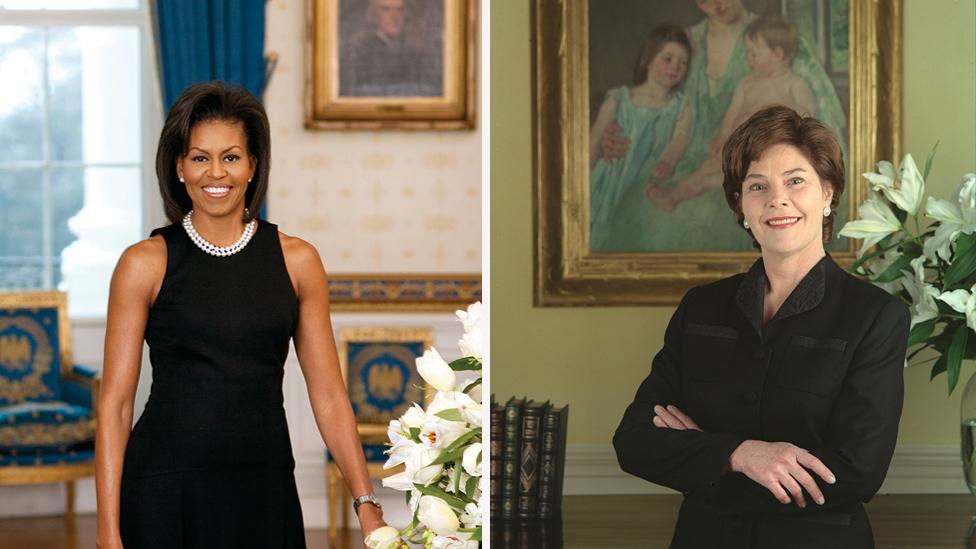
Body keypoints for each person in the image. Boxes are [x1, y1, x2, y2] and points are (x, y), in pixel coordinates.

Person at [95, 82, 387, 548]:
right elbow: (116, 405)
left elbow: (330, 396)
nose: (216, 172)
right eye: (199, 157)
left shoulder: (298, 262)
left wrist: (367, 506)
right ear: (179, 167)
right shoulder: (143, 264)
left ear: (253, 166)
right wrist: (108, 532)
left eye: (231, 157)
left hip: (264, 488)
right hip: (166, 489)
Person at [613, 106, 910, 549]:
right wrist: (742, 454)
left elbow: (856, 472)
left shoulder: (876, 316)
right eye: (757, 186)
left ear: (827, 194)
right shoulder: (701, 308)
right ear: (740, 206)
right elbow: (635, 440)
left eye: (796, 180)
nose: (777, 199)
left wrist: (704, 456)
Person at [596, 0, 847, 253]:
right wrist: (619, 133)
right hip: (706, 154)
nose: (716, 4)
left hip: (771, 164)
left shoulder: (774, 36)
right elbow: (659, 109)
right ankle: (677, 194)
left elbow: (816, 122)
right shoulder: (685, 44)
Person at [648, 16, 817, 212]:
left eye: (754, 54)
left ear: (777, 54)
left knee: (726, 176)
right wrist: (721, 138)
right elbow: (731, 114)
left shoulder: (794, 84)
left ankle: (677, 194)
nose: (748, 59)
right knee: (708, 168)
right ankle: (674, 195)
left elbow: (807, 117)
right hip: (738, 146)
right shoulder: (747, 84)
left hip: (772, 150)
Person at [588, 25, 692, 249]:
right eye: (668, 59)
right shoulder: (619, 100)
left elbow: (681, 138)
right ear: (647, 59)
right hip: (612, 180)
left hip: (647, 182)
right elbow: (593, 142)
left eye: (683, 62)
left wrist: (669, 161)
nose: (676, 67)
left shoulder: (680, 105)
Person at [340, 0, 442, 97]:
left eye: (400, 10)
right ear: (374, 15)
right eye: (386, 9)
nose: (394, 16)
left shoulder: (415, 54)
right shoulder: (359, 53)